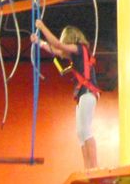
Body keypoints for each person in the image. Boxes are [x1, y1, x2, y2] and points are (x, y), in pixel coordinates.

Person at [31, 19, 99, 170]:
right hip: (83, 95)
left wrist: (42, 27)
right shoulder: (76, 55)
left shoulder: (81, 48)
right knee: (81, 133)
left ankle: (94, 166)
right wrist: (39, 42)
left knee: (86, 130)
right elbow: (56, 50)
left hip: (88, 93)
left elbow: (58, 45)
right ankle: (88, 167)